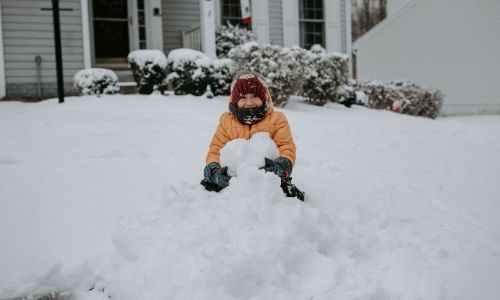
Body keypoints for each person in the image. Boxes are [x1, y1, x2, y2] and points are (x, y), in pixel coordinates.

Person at [201, 71, 297, 192]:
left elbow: (286, 147)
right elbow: (215, 150)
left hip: (268, 178)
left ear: (264, 97)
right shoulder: (227, 122)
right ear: (235, 100)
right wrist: (214, 170)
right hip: (233, 180)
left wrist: (282, 165)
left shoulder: (277, 119)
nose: (249, 102)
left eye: (254, 96)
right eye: (243, 97)